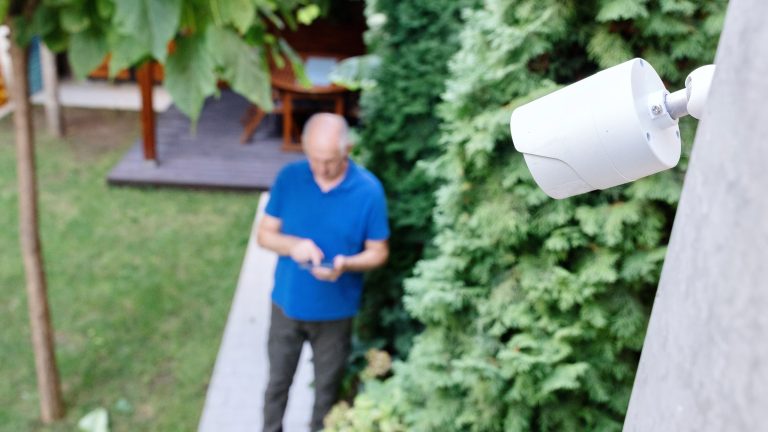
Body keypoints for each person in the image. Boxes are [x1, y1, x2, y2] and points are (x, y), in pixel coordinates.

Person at [257, 113, 390, 432]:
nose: (321, 168)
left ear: (348, 149)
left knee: (326, 392)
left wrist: (346, 264)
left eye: (329, 160)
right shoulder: (289, 178)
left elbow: (379, 252)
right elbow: (264, 235)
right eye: (314, 159)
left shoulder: (368, 191)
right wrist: (293, 246)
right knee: (277, 385)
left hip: (336, 313)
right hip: (286, 305)